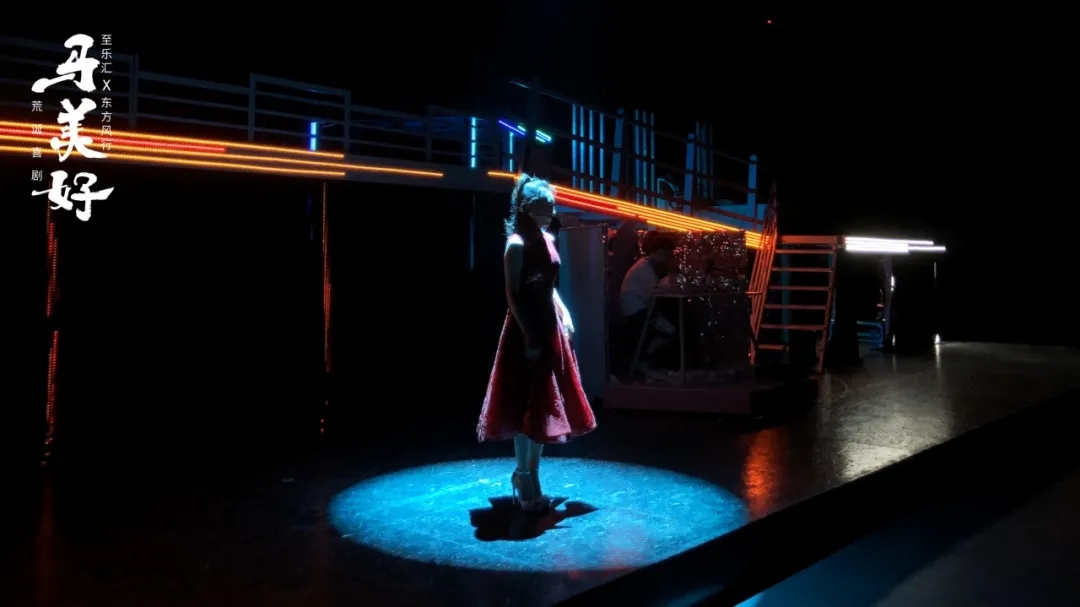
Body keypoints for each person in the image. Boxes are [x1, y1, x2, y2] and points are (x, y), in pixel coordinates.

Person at [476, 174, 597, 512]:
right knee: (524, 402)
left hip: (549, 323)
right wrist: (528, 332)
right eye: (545, 206)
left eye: (552, 206)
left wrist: (565, 313)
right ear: (527, 208)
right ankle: (523, 476)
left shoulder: (548, 238)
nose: (551, 212)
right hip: (526, 326)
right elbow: (513, 294)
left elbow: (549, 285)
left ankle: (532, 475)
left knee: (544, 402)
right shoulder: (516, 244)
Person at [618, 234, 677, 374]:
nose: (669, 258)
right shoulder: (645, 269)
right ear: (661, 251)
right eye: (668, 254)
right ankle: (646, 357)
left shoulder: (644, 266)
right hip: (638, 312)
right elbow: (658, 291)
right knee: (671, 331)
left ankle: (645, 358)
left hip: (635, 309)